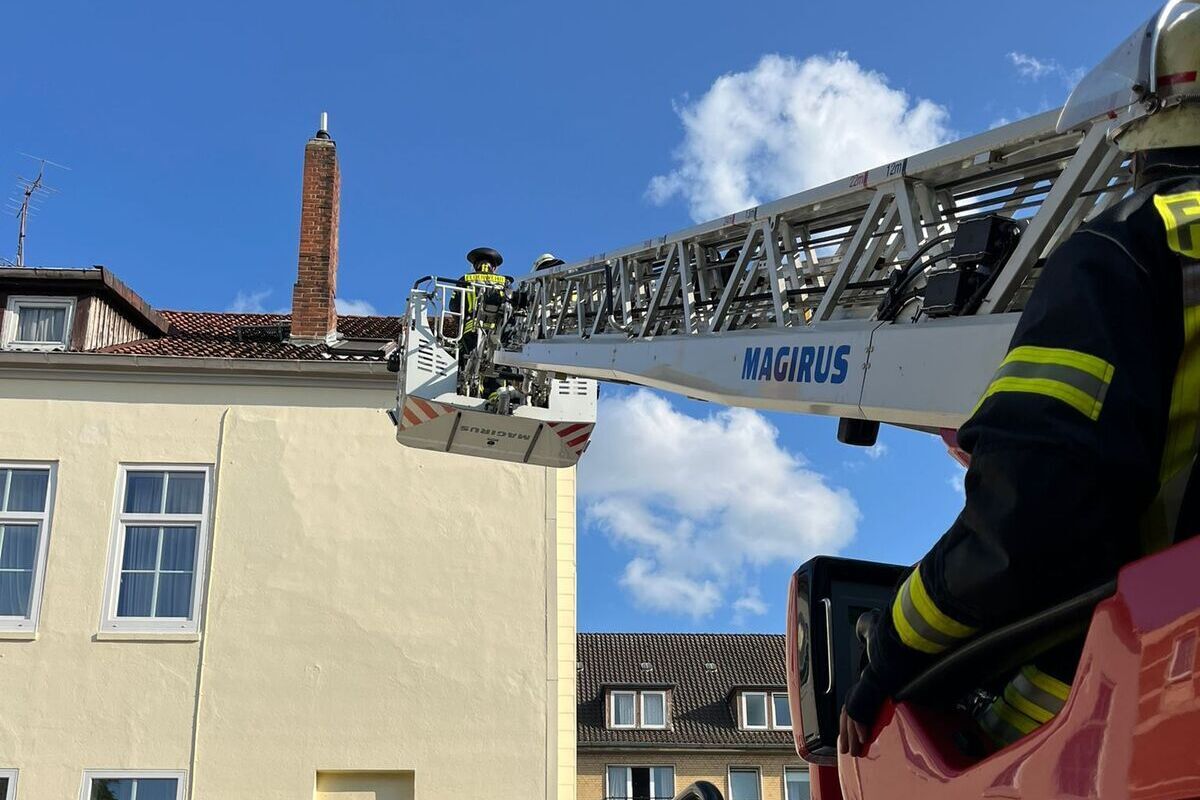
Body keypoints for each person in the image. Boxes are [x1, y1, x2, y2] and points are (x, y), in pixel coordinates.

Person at [840, 1, 1200, 755]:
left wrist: (892, 653)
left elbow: (1034, 514)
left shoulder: (1134, 247)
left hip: (1150, 701)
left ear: (1140, 120)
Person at [454, 247, 509, 399]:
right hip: (496, 333)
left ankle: (463, 388)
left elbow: (454, 305)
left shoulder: (464, 280)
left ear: (475, 265)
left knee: (464, 358)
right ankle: (494, 393)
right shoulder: (505, 282)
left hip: (470, 330)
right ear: (495, 267)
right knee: (497, 363)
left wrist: (462, 322)